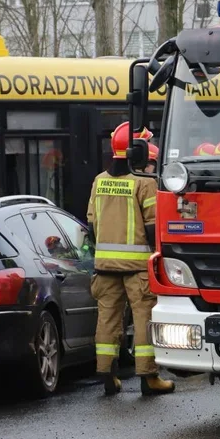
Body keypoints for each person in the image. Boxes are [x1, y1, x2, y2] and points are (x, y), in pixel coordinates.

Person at [86, 122, 175, 396]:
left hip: (105, 267)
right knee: (143, 319)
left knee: (107, 320)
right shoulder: (144, 184)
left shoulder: (99, 181)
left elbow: (91, 224)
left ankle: (107, 375)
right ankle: (149, 378)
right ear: (137, 152)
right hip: (138, 268)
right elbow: (152, 228)